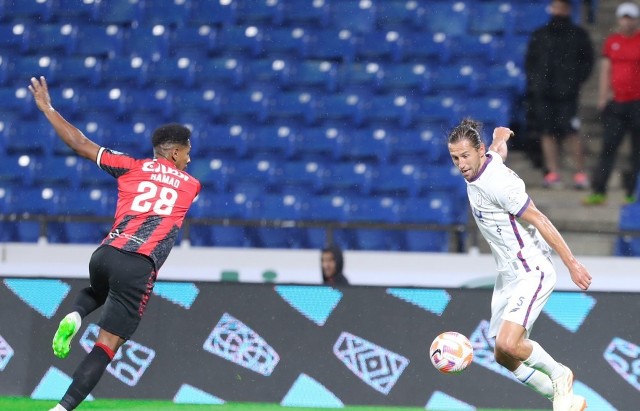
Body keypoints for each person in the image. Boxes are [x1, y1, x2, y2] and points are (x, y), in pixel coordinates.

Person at [29, 76, 201, 411]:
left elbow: (79, 143)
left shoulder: (130, 166)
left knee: (99, 289)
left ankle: (76, 315)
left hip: (105, 254)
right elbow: (173, 196)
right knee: (107, 345)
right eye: (187, 153)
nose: (189, 160)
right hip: (138, 264)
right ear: (176, 152)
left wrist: (48, 108)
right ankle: (61, 409)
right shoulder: (191, 184)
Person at [447, 118, 592, 411]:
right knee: (503, 354)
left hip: (531, 269)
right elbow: (497, 152)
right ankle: (563, 399)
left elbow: (540, 219)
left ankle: (560, 375)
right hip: (509, 275)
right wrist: (501, 137)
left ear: (479, 151)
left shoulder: (498, 185)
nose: (461, 164)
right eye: (455, 158)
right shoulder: (481, 164)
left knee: (510, 343)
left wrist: (572, 264)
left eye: (465, 156)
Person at [525, 0, 594, 189]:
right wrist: (537, 83)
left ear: (568, 9)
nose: (556, 11)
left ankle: (580, 173)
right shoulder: (540, 34)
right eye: (554, 7)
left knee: (572, 132)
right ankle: (553, 173)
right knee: (547, 132)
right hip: (544, 93)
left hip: (568, 94)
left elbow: (587, 61)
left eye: (560, 7)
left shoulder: (578, 35)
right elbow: (531, 62)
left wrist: (574, 81)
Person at [583, 2, 640, 206]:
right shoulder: (612, 42)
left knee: (637, 150)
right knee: (608, 147)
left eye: (630, 18)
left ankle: (633, 191)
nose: (627, 22)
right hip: (617, 102)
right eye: (624, 17)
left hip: (637, 102)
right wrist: (603, 96)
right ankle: (599, 190)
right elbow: (606, 70)